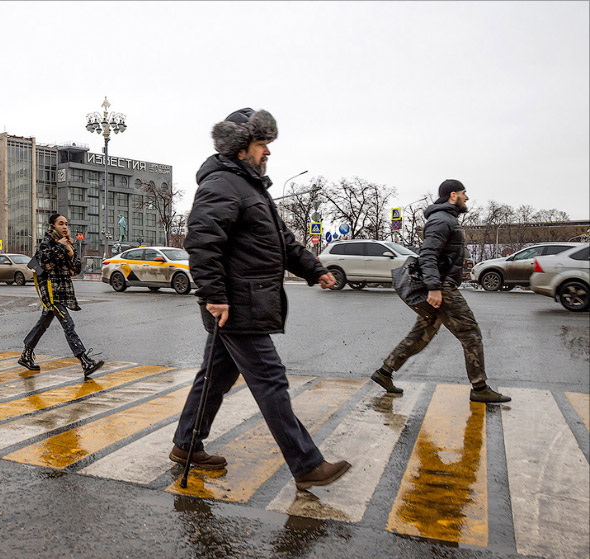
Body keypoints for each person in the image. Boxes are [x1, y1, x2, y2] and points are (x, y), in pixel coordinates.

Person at [171, 107, 351, 490]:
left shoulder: (251, 188)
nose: (267, 152)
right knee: (271, 381)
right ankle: (306, 465)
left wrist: (314, 269)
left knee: (214, 377)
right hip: (236, 305)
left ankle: (187, 444)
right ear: (240, 148)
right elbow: (202, 242)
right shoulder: (222, 184)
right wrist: (214, 296)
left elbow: (282, 241)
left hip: (244, 302)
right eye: (261, 144)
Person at [371, 180, 511, 403]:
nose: (467, 197)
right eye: (465, 193)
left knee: (421, 333)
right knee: (470, 333)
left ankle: (384, 372)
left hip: (442, 285)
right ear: (453, 195)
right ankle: (480, 387)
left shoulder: (446, 219)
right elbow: (428, 255)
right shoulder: (441, 220)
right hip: (442, 287)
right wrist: (435, 288)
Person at [17, 213, 105, 378]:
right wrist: (60, 246)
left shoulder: (68, 244)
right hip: (51, 291)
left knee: (43, 324)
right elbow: (41, 261)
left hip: (62, 291)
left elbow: (77, 270)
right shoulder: (47, 243)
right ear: (52, 226)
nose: (65, 227)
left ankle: (26, 355)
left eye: (66, 224)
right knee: (68, 324)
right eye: (60, 223)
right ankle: (84, 361)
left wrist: (71, 254)